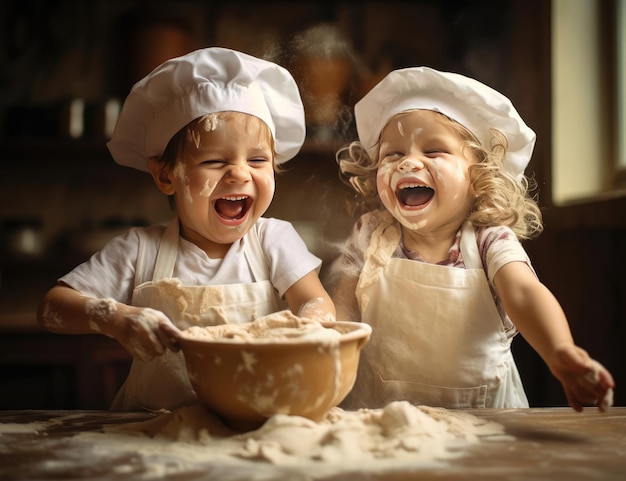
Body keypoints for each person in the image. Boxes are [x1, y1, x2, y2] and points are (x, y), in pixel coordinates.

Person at [37, 47, 335, 411]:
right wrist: (114, 318)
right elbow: (52, 308)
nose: (240, 173)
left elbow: (314, 302)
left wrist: (309, 327)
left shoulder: (273, 240)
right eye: (214, 160)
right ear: (166, 175)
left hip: (253, 428)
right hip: (153, 434)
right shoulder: (139, 250)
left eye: (258, 160)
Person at [325, 66, 614, 412]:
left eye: (433, 151)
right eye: (394, 154)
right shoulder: (370, 232)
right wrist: (327, 347)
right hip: (382, 414)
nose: (408, 163)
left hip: (486, 420)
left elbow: (523, 293)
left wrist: (559, 350)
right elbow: (343, 302)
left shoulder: (488, 240)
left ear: (479, 176)